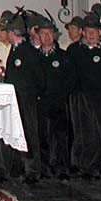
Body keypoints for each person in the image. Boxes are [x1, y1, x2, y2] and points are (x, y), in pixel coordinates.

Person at [68, 14, 101, 180]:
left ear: (100, 32)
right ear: (82, 32)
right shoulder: (74, 50)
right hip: (83, 96)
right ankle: (90, 167)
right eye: (88, 30)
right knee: (87, 133)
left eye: (94, 31)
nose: (91, 34)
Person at [0, 16, 44, 184]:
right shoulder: (15, 50)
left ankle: (32, 170)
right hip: (14, 98)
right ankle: (15, 167)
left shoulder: (28, 51)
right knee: (13, 132)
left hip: (26, 98)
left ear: (12, 33)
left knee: (29, 132)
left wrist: (32, 93)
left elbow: (38, 77)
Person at [34, 16, 75, 181]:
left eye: (49, 33)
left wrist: (62, 94)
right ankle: (44, 168)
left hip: (59, 102)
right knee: (42, 136)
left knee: (61, 136)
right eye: (43, 33)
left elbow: (71, 79)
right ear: (38, 36)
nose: (46, 36)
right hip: (41, 102)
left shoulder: (63, 56)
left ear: (55, 35)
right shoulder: (34, 57)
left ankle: (62, 168)